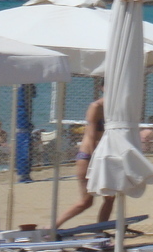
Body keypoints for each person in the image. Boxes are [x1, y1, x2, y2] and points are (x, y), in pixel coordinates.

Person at [56, 97, 113, 228]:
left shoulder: (115, 107)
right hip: (88, 156)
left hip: (104, 156)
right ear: (102, 88)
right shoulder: (96, 106)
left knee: (110, 197)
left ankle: (100, 231)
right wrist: (95, 160)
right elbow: (92, 135)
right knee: (86, 201)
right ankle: (51, 227)